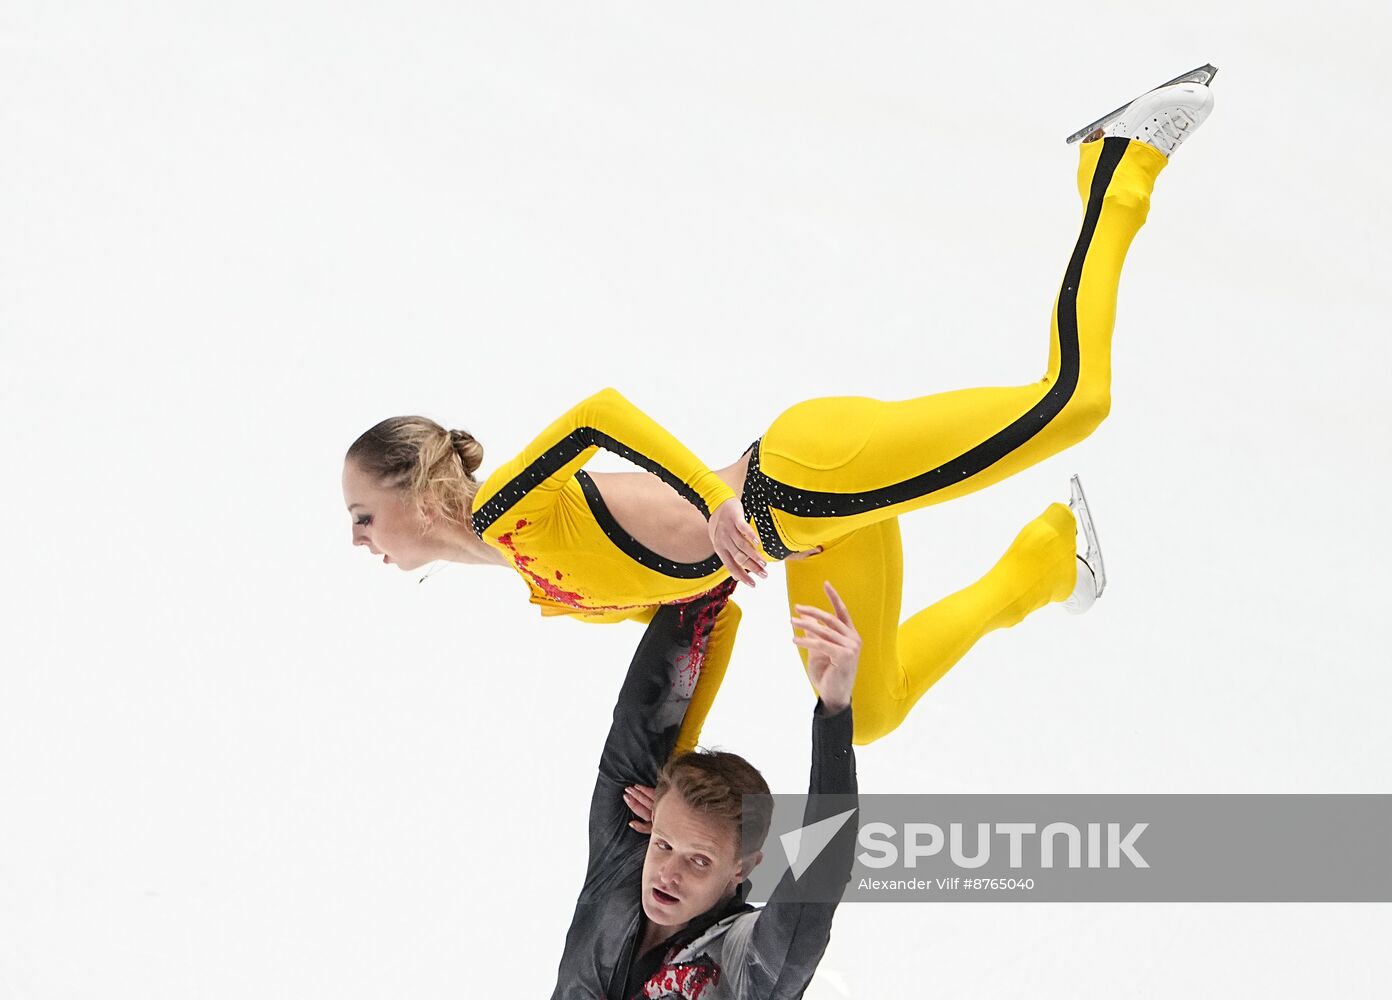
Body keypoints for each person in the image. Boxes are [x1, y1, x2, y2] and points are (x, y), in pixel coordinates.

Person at [342, 66, 1219, 747]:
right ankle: (1048, 562)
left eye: (363, 515)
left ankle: (1119, 163)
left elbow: (596, 414)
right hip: (814, 529)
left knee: (1071, 401)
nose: (358, 538)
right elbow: (705, 620)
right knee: (866, 712)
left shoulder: (509, 511)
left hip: (802, 474)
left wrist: (715, 497)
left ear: (418, 499)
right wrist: (677, 763)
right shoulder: (533, 577)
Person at [549, 579, 860, 999]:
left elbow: (822, 874)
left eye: (699, 861)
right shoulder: (624, 862)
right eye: (663, 845)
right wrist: (707, 567)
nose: (668, 874)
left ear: (742, 869)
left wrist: (835, 712)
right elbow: (638, 723)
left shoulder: (746, 961)